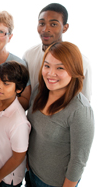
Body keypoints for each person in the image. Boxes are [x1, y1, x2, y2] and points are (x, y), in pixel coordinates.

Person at [27, 42, 94, 187]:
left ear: (74, 70)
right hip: (31, 173)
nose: (51, 73)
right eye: (47, 66)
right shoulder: (39, 90)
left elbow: (78, 161)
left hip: (54, 183)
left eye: (60, 68)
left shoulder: (80, 110)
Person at [23, 3, 92, 101]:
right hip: (34, 113)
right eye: (42, 23)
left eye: (53, 24)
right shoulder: (29, 55)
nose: (45, 29)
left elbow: (85, 100)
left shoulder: (82, 61)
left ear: (65, 27)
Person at [0, 61, 31, 187]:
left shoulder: (19, 122)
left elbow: (18, 157)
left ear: (19, 89)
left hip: (6, 178)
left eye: (6, 84)